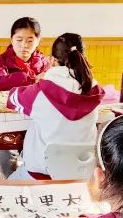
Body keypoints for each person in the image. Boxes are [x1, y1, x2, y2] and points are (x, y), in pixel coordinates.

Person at [6, 32, 103, 180]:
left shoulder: (41, 91)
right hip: (81, 176)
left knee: (3, 188)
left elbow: (12, 98)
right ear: (83, 58)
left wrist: (36, 82)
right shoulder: (93, 91)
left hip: (41, 175)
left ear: (52, 60)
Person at [0, 17, 50, 178]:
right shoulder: (1, 61)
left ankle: (28, 179)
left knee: (47, 150)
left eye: (30, 40)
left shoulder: (45, 63)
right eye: (19, 40)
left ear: (38, 41)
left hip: (36, 121)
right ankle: (11, 179)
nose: (24, 45)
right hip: (7, 122)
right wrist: (30, 79)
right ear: (11, 40)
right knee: (0, 150)